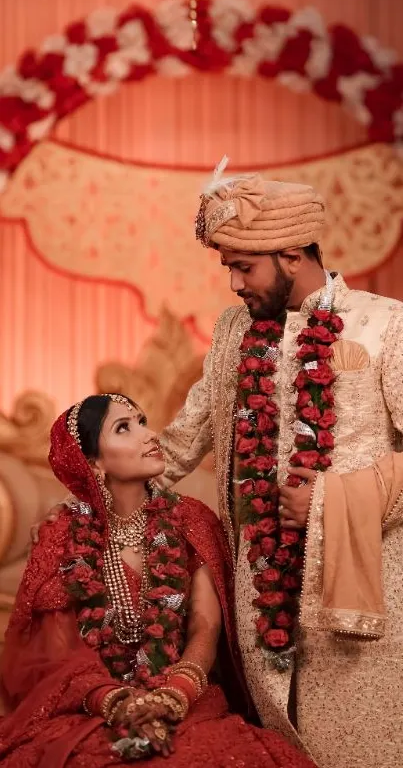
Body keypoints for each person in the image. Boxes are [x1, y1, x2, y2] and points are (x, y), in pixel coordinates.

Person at [32, 167, 403, 768]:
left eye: (243, 266)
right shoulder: (234, 333)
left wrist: (334, 500)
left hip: (365, 610)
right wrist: (88, 510)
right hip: (261, 604)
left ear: (290, 253)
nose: (232, 282)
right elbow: (180, 443)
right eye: (225, 266)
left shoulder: (385, 325)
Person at [0, 393, 317, 768]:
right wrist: (117, 702)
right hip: (95, 706)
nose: (149, 436)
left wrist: (174, 694)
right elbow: (59, 653)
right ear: (93, 464)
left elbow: (205, 623)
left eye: (143, 421)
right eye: (124, 428)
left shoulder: (191, 520)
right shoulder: (63, 535)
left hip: (186, 696)